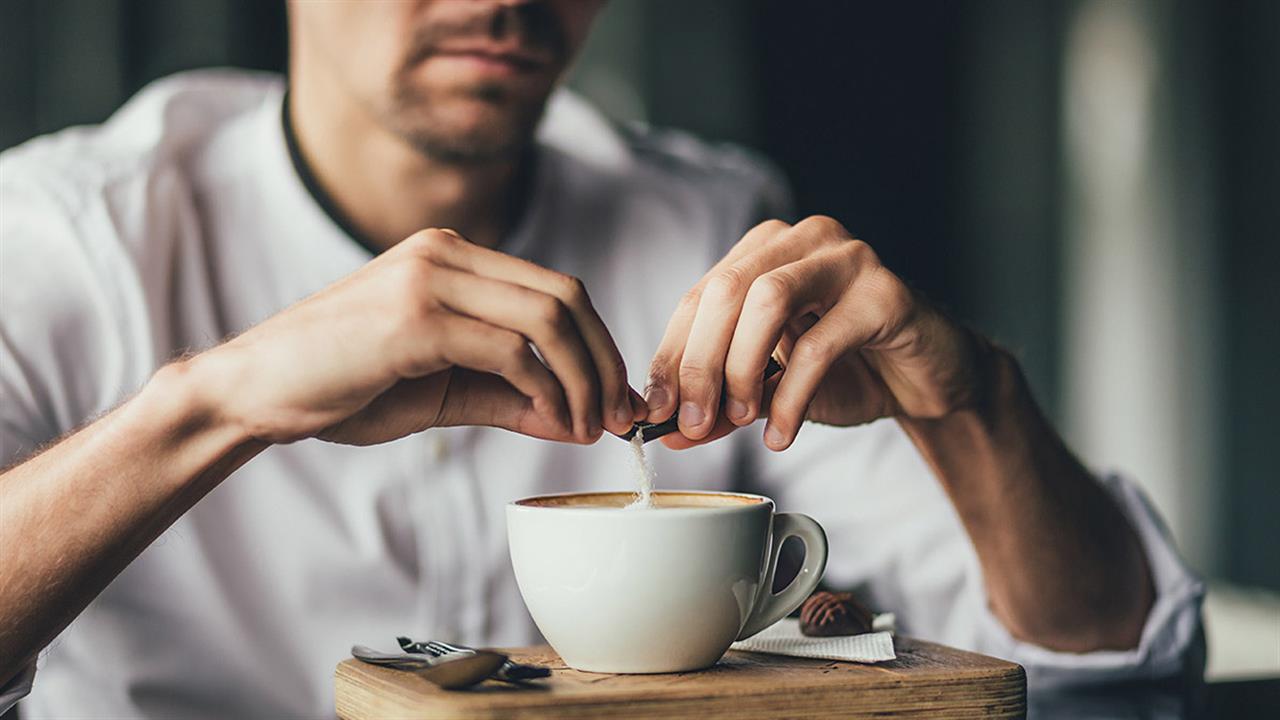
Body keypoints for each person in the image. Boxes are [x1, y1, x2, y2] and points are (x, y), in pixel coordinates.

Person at [0, 1, 1202, 717]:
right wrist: (215, 403)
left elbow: (1094, 663)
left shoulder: (708, 226)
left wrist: (974, 403)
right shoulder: (67, 232)